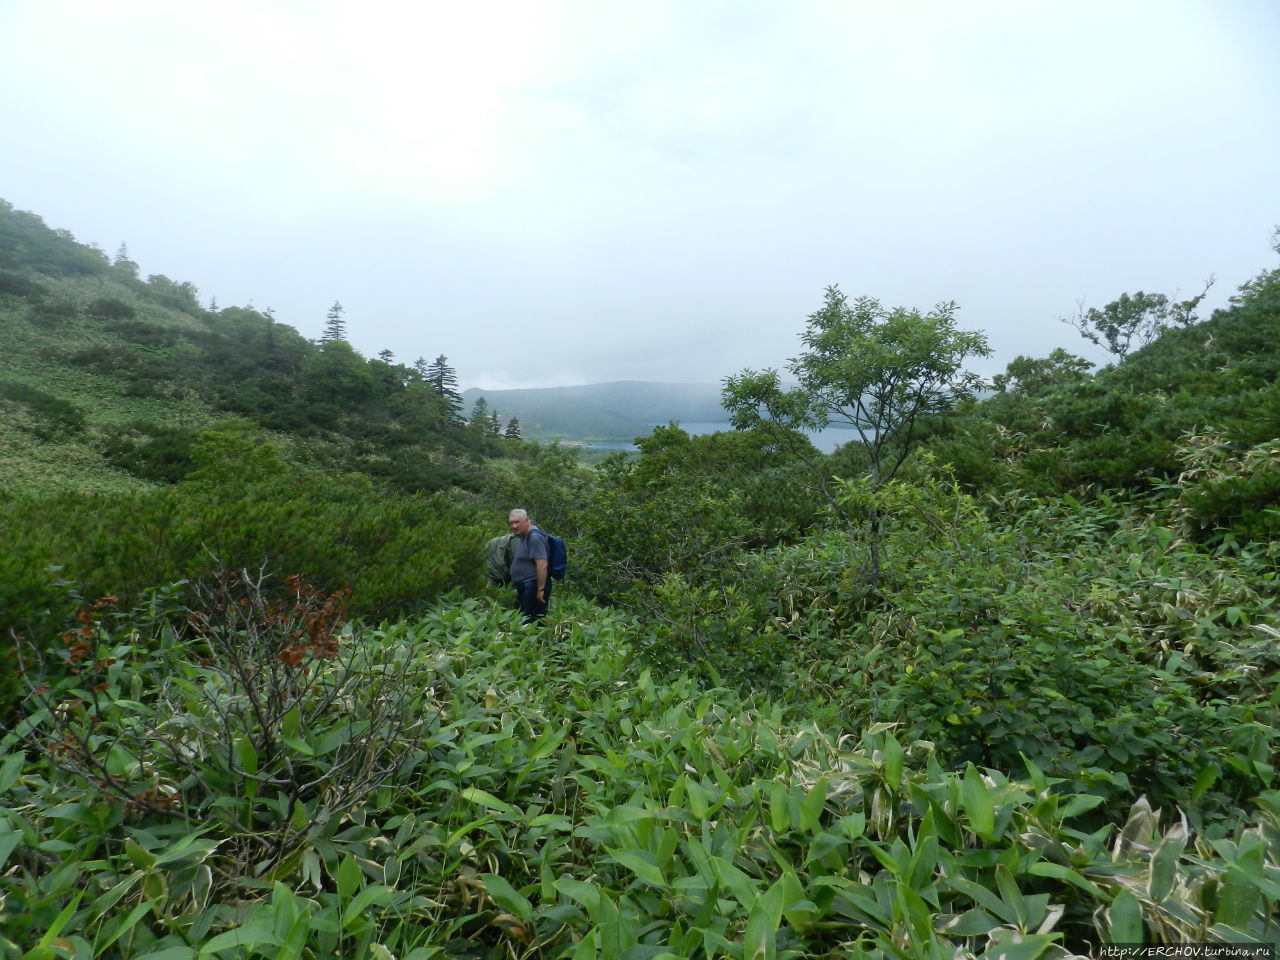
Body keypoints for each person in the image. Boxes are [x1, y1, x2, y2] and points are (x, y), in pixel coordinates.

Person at [507, 508, 550, 623]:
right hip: (525, 586)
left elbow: (542, 564)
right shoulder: (523, 536)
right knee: (522, 619)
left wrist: (540, 590)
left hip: (533, 586)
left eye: (517, 522)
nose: (514, 526)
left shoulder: (534, 537)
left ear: (526, 520)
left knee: (530, 621)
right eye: (511, 523)